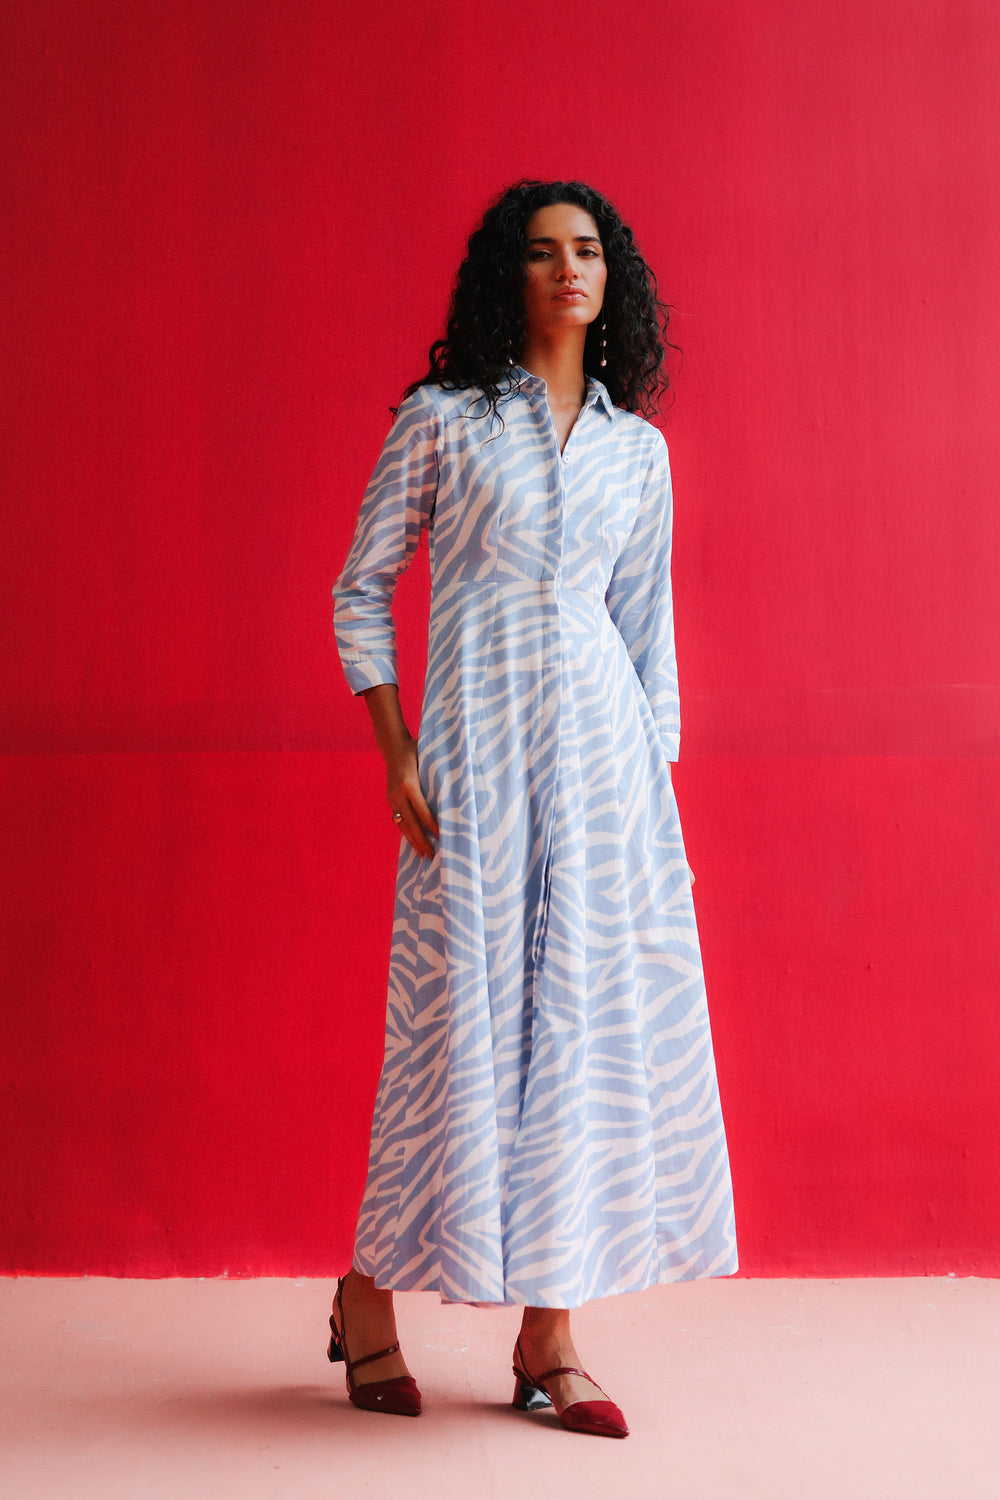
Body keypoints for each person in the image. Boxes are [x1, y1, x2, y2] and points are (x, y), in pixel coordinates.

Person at [330, 179, 737, 1437]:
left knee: (579, 1044)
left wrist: (652, 804)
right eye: (544, 251)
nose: (570, 269)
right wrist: (396, 749)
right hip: (472, 777)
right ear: (507, 275)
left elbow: (647, 638)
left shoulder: (636, 452)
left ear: (613, 280)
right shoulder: (444, 423)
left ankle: (548, 1336)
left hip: (605, 784)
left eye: (589, 252)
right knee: (447, 1037)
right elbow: (360, 590)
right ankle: (365, 1295)